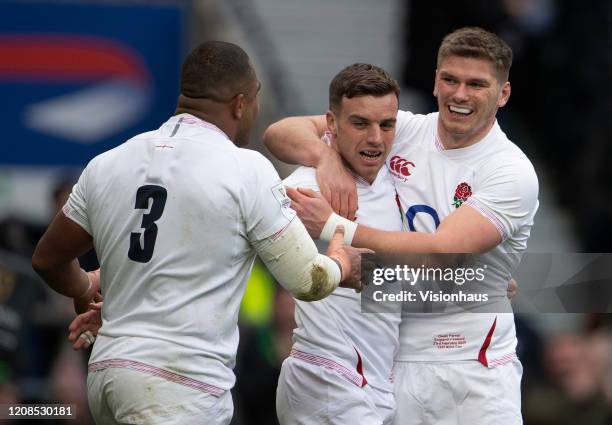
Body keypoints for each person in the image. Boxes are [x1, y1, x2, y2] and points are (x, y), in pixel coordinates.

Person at [31, 40, 368, 425]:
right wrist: (342, 259)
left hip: (109, 373)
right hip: (179, 383)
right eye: (255, 99)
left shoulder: (109, 162)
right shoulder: (245, 169)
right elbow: (310, 280)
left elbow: (48, 258)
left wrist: (84, 288)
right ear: (240, 103)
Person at [263, 27, 539, 425]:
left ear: (504, 94)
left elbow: (439, 252)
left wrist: (337, 230)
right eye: (450, 80)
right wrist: (325, 158)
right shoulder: (402, 129)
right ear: (435, 82)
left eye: (476, 84)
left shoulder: (510, 171)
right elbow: (281, 132)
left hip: (472, 369)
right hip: (395, 364)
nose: (460, 94)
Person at [276, 63, 402, 425]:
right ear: (331, 123)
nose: (376, 138)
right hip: (326, 377)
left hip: (379, 381)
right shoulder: (305, 189)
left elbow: (383, 281)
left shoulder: (399, 178)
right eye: (360, 124)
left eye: (386, 125)